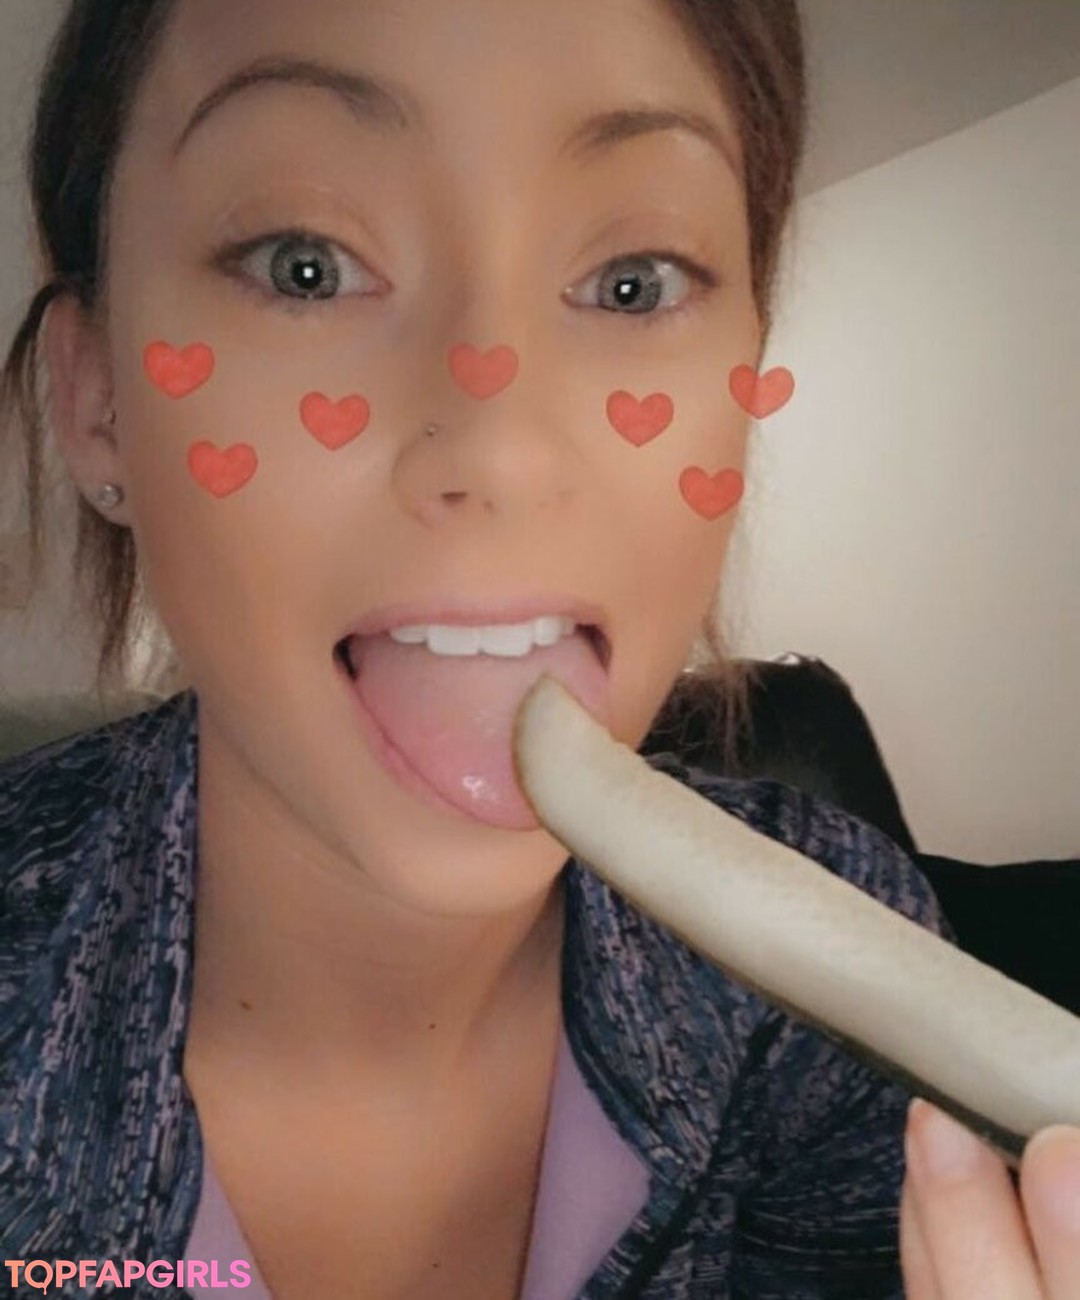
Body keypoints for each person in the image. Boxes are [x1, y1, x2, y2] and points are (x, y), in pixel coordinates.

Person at [2, 1, 1078, 1296]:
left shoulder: (829, 980)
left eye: (635, 283)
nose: (502, 446)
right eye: (304, 265)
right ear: (95, 402)